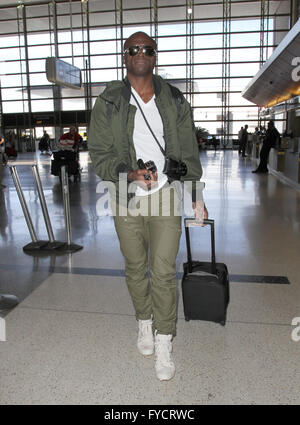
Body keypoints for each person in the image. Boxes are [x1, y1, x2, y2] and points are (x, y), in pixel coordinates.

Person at [88, 31, 208, 381]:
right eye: (133, 49)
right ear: (125, 56)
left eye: (147, 49)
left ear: (155, 56)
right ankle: (144, 321)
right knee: (136, 266)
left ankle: (164, 338)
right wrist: (129, 173)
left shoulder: (172, 98)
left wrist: (196, 196)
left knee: (165, 269)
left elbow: (187, 150)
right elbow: (99, 154)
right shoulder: (109, 100)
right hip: (126, 195)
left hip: (166, 194)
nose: (140, 53)